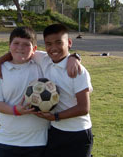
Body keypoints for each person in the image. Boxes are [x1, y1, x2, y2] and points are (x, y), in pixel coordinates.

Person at [0, 27, 48, 157]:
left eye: (26, 44)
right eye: (16, 43)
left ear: (34, 49)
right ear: (9, 45)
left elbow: (62, 57)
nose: (20, 48)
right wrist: (15, 110)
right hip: (7, 141)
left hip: (39, 141)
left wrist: (75, 58)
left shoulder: (42, 64)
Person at [35, 24, 93, 157]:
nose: (53, 48)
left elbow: (84, 108)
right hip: (56, 130)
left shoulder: (77, 71)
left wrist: (55, 117)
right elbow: (22, 51)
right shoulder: (44, 60)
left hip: (78, 133)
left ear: (69, 43)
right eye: (48, 44)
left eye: (59, 42)